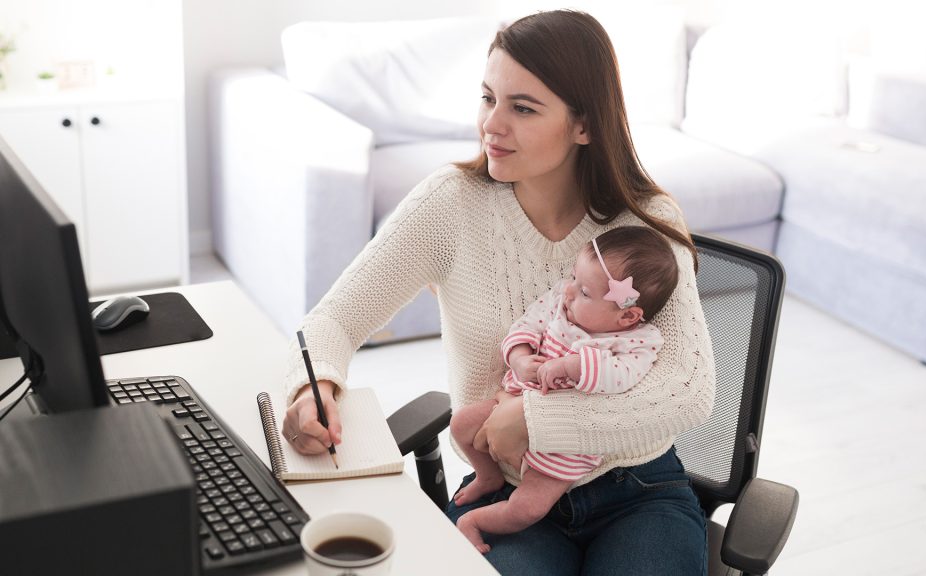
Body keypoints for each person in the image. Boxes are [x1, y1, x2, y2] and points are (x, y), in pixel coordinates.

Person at [281, 10, 715, 575]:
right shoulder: (450, 204)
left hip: (638, 489)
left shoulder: (647, 221)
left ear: (584, 124)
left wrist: (535, 418)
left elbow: (688, 390)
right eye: (488, 98)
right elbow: (334, 319)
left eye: (523, 108)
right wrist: (314, 390)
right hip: (503, 490)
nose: (492, 124)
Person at [451, 226, 679, 553]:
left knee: (527, 508)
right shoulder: (560, 303)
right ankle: (488, 476)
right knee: (460, 424)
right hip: (511, 403)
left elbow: (624, 377)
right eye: (574, 278)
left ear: (628, 315)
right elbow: (526, 326)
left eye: (585, 291)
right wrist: (519, 358)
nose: (569, 291)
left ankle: (474, 521)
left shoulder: (635, 342)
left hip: (567, 447)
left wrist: (575, 366)